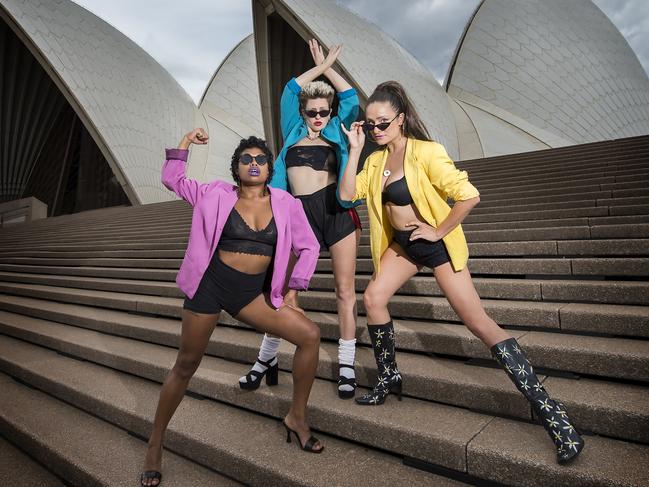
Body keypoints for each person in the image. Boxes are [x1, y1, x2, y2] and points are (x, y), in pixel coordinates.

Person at [338, 81, 584, 465]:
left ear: (401, 119)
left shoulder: (427, 152)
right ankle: (389, 377)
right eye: (369, 125)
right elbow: (346, 195)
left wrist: (437, 230)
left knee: (478, 322)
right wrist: (354, 152)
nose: (375, 130)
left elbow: (469, 195)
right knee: (372, 298)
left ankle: (554, 414)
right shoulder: (374, 160)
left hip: (434, 243)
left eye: (382, 123)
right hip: (402, 245)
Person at [140, 130, 324, 487]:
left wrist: (293, 288)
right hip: (210, 286)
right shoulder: (214, 194)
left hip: (251, 295)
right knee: (186, 364)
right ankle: (155, 443)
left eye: (260, 159)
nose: (253, 163)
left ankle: (297, 418)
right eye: (246, 159)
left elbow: (309, 247)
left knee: (310, 336)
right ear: (236, 167)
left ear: (270, 168)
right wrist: (185, 141)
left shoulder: (287, 203)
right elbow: (171, 178)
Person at [240, 40, 361, 399]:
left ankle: (346, 365)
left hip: (336, 213)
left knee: (344, 292)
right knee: (283, 293)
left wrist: (331, 69)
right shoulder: (292, 127)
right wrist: (318, 68)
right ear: (303, 113)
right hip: (297, 216)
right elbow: (289, 90)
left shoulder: (339, 129)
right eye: (313, 113)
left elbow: (353, 99)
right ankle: (266, 359)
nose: (319, 118)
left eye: (324, 112)